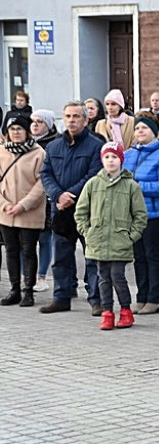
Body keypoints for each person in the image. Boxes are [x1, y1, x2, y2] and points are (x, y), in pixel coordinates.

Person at [73, 142, 148, 330]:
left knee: (117, 276)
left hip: (120, 241)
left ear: (121, 160)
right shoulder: (93, 184)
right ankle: (107, 312)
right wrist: (86, 231)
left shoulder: (131, 186)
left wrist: (132, 236)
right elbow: (81, 211)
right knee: (103, 277)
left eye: (114, 157)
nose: (110, 160)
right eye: (107, 157)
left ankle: (125, 311)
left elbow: (140, 215)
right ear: (102, 160)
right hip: (98, 241)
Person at [38, 101, 103, 314]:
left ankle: (96, 300)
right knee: (61, 258)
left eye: (76, 116)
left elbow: (94, 174)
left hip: (88, 210)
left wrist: (71, 194)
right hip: (61, 210)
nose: (72, 120)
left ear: (85, 120)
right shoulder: (54, 146)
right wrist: (58, 194)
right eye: (68, 116)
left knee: (92, 257)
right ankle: (61, 297)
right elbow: (45, 173)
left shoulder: (95, 145)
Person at [123, 115, 159, 314]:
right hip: (133, 214)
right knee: (138, 257)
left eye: (145, 128)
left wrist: (137, 186)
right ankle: (142, 297)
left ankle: (155, 299)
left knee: (153, 256)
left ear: (154, 132)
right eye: (137, 128)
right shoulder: (128, 155)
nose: (140, 131)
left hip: (156, 214)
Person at [0, 113, 46, 307]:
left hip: (29, 211)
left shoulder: (38, 153)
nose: (16, 133)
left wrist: (23, 204)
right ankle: (15, 289)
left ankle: (28, 290)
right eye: (12, 129)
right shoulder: (2, 152)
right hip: (5, 211)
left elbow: (41, 183)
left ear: (27, 131)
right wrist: (4, 204)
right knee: (11, 250)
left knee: (28, 250)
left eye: (20, 129)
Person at [29, 110, 58, 293]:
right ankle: (28, 277)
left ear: (48, 124)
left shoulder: (54, 144)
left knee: (45, 238)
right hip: (26, 197)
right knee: (26, 241)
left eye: (40, 122)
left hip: (46, 196)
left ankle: (42, 276)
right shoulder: (25, 143)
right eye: (33, 121)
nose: (35, 125)